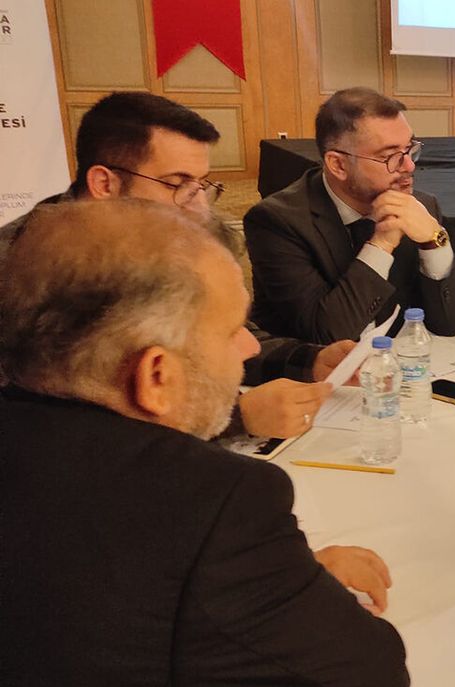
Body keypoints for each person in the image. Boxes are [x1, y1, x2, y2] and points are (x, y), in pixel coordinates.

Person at [0, 200, 408, 687]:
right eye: (231, 329)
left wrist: (254, 582)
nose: (248, 348)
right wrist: (279, 583)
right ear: (156, 377)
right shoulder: (209, 501)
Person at [0, 91, 348, 440]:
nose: (198, 207)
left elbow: (215, 334)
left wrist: (309, 361)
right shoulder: (19, 267)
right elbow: (30, 426)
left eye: (201, 186)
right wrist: (236, 419)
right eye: (178, 184)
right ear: (105, 184)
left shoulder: (162, 237)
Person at [246, 87, 455, 343]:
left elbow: (450, 324)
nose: (409, 165)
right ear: (338, 164)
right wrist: (382, 244)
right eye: (390, 156)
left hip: (397, 360)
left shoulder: (420, 207)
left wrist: (434, 242)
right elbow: (327, 336)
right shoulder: (277, 222)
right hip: (313, 366)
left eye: (410, 149)